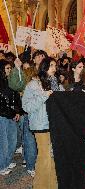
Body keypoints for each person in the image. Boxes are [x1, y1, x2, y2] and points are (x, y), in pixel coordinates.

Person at [22, 57, 64, 189]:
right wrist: (44, 96)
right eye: (51, 65)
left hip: (54, 124)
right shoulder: (33, 85)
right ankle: (39, 186)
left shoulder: (57, 84)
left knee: (52, 156)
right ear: (44, 67)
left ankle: (52, 185)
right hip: (40, 125)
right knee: (44, 157)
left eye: (55, 65)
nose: (54, 68)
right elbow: (26, 107)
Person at [8, 58, 37, 177]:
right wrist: (17, 69)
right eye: (24, 68)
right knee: (29, 139)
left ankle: (31, 162)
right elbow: (15, 85)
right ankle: (30, 164)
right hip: (27, 113)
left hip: (37, 114)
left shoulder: (37, 79)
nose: (26, 70)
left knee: (32, 140)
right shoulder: (23, 81)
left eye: (28, 68)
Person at [0, 60, 22, 175]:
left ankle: (7, 162)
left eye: (10, 68)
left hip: (11, 115)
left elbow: (16, 97)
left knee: (12, 140)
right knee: (3, 142)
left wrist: (17, 111)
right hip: (2, 117)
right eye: (7, 68)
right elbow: (2, 105)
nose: (9, 70)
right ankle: (2, 166)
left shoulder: (11, 81)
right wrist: (13, 113)